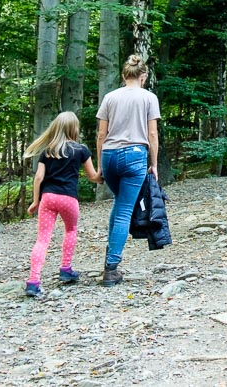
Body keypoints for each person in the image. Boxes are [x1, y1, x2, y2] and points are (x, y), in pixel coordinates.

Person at [96, 53, 161, 287]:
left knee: (119, 203)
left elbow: (101, 134)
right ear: (143, 76)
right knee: (124, 210)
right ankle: (111, 269)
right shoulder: (148, 98)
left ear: (124, 75)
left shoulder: (110, 97)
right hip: (134, 155)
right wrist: (153, 164)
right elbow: (152, 134)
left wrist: (99, 164)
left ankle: (109, 257)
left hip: (109, 155)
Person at [24, 111, 101, 298]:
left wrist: (36, 200)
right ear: (74, 128)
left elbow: (39, 178)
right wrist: (104, 174)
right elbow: (93, 177)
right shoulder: (81, 150)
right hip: (69, 199)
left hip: (48, 198)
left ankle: (33, 281)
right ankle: (65, 269)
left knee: (42, 239)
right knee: (71, 230)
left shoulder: (47, 151)